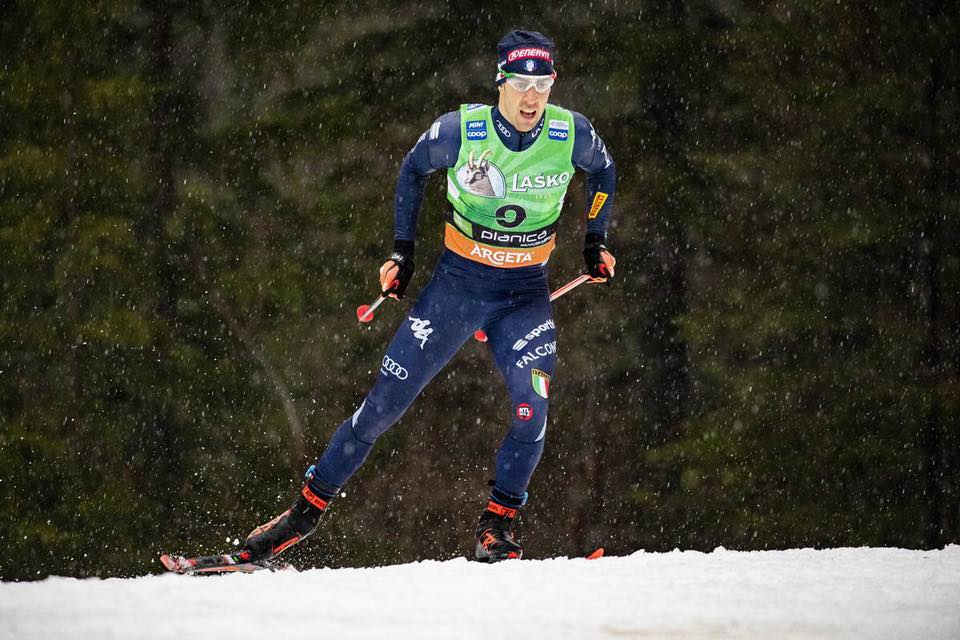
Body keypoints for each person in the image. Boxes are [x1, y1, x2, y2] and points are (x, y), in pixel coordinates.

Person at [243, 30, 616, 564]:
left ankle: (497, 527)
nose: (532, 97)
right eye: (520, 84)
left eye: (543, 84)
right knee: (381, 409)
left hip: (524, 295)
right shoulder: (460, 130)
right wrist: (402, 254)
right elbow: (413, 170)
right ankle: (299, 518)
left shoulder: (571, 132)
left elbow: (603, 171)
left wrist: (596, 239)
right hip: (457, 288)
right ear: (501, 84)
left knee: (533, 410)